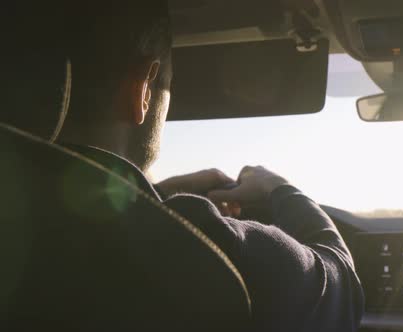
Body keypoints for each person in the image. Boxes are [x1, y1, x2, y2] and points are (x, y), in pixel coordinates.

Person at [57, 1, 364, 331]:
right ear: (143, 88)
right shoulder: (194, 241)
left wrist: (156, 195)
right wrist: (280, 188)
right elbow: (342, 287)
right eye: (170, 85)